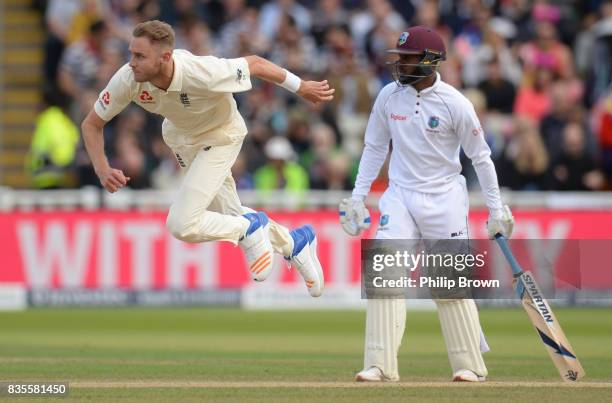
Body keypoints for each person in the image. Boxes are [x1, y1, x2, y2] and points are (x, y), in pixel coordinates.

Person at [81, 20, 334, 297]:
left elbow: (256, 64)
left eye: (140, 56)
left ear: (165, 57)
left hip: (221, 135)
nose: (132, 63)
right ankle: (296, 243)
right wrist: (102, 168)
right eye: (131, 53)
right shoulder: (128, 79)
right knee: (228, 213)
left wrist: (302, 87)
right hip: (181, 139)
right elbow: (91, 124)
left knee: (182, 223)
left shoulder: (202, 72)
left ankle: (250, 229)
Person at [338, 26, 515, 382]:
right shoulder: (388, 96)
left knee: (447, 282)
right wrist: (358, 198)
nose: (400, 64)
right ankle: (380, 365)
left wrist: (496, 209)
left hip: (444, 197)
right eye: (399, 58)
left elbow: (481, 158)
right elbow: (374, 148)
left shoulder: (456, 103)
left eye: (408, 58)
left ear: (431, 61)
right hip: (400, 195)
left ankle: (469, 367)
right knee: (384, 274)